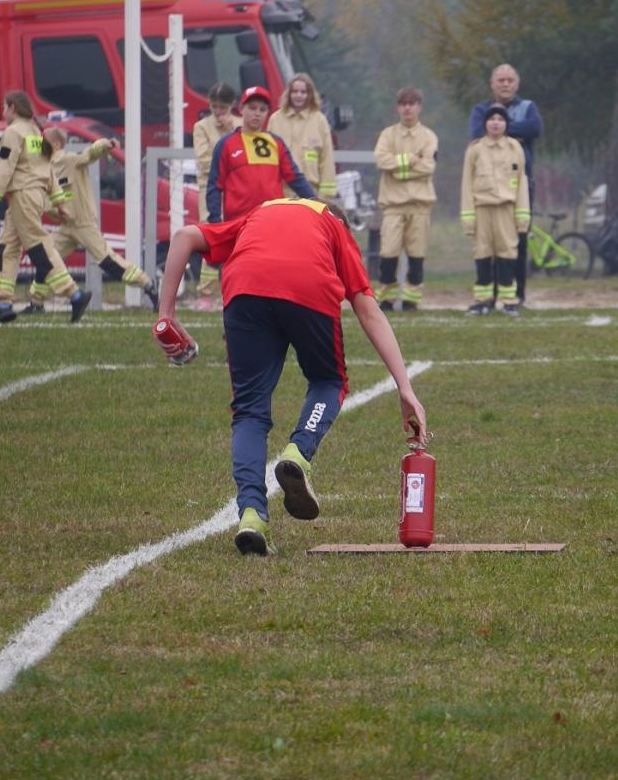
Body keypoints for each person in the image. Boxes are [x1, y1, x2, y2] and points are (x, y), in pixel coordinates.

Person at [156, 197, 428, 556]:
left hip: (245, 285)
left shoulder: (262, 210)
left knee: (250, 411)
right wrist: (405, 387)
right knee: (329, 381)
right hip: (307, 285)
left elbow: (184, 236)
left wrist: (166, 315)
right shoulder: (332, 221)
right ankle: (299, 453)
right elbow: (366, 307)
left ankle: (252, 516)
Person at [8, 128, 158, 313]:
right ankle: (36, 303)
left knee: (107, 262)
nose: (38, 144)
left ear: (55, 145)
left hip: (84, 224)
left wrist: (106, 144)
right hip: (66, 227)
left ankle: (148, 284)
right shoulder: (44, 167)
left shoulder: (69, 160)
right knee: (45, 258)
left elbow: (89, 154)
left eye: (42, 140)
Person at [0, 90, 91, 324]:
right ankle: (3, 304)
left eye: (5, 108)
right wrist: (59, 201)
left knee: (40, 247)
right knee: (5, 248)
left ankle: (74, 294)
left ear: (13, 108)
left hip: (23, 197)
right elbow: (48, 172)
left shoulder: (13, 132)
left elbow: (5, 168)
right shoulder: (37, 133)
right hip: (30, 196)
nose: (4, 112)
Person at [468, 63, 542, 304]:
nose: (506, 84)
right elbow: (477, 131)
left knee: (518, 242)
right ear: (492, 83)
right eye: (501, 80)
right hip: (488, 191)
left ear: (517, 83)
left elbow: (535, 128)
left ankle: (517, 294)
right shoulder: (480, 109)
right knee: (487, 246)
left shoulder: (528, 107)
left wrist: (501, 130)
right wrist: (514, 133)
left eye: (510, 79)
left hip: (519, 186)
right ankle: (491, 295)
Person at [206, 86, 315, 224]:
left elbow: (295, 178)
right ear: (241, 109)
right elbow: (215, 186)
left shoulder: (276, 143)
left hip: (272, 220)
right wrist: (215, 220)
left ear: (268, 113)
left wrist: (316, 203)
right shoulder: (226, 144)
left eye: (262, 110)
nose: (257, 113)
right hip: (238, 222)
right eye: (252, 108)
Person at [373, 87, 439, 311]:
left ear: (419, 106)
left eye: (412, 103)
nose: (408, 107)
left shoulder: (429, 136)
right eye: (403, 103)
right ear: (397, 107)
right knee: (388, 253)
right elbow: (381, 160)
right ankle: (387, 298)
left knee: (416, 255)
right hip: (393, 205)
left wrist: (398, 169)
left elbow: (428, 167)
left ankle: (412, 299)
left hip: (420, 205)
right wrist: (411, 160)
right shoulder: (388, 135)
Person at [461, 103, 530, 316]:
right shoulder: (475, 149)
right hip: (482, 209)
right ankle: (482, 300)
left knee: (507, 253)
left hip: (506, 210)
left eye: (500, 119)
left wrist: (523, 216)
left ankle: (509, 300)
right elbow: (466, 184)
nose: (496, 123)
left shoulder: (514, 148)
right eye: (492, 119)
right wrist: (468, 217)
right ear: (485, 124)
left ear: (506, 124)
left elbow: (521, 183)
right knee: (482, 253)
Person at [192, 81, 241, 310]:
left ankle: (236, 288)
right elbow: (203, 161)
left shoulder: (240, 125)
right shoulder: (202, 127)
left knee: (240, 236)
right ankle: (205, 292)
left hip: (238, 188)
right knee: (210, 235)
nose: (219, 112)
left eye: (223, 107)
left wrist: (231, 131)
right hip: (210, 188)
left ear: (232, 105)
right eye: (214, 107)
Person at [267, 72, 338, 200]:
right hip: (281, 194)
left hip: (310, 193)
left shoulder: (320, 121)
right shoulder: (275, 120)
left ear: (310, 94)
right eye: (295, 91)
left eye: (303, 92)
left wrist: (324, 198)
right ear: (288, 93)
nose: (298, 96)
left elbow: (326, 161)